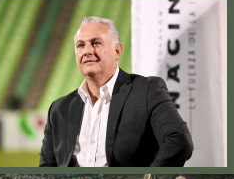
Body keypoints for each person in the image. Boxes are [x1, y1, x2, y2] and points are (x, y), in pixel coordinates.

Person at [39, 17, 193, 167]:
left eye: (96, 43)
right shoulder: (59, 109)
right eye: (80, 45)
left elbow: (178, 140)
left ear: (117, 51)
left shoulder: (147, 91)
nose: (87, 51)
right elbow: (47, 167)